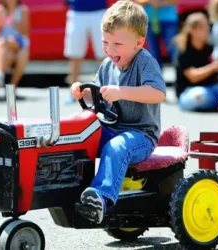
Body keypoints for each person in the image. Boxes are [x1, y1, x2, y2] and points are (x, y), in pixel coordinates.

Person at [70, 0, 166, 224]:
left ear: (139, 43)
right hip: (112, 127)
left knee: (117, 147)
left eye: (117, 44)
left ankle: (101, 197)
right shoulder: (107, 65)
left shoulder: (145, 62)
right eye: (105, 42)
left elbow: (157, 93)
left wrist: (122, 92)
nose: (110, 50)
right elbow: (98, 95)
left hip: (141, 135)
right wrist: (81, 92)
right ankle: (73, 188)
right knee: (80, 133)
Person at [63, 0, 107, 104]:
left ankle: (105, 92)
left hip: (99, 11)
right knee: (75, 54)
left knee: (104, 53)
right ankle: (73, 94)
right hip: (77, 12)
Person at [0, 0, 30, 92]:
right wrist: (0, 23)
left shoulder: (23, 10)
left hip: (17, 42)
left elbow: (25, 31)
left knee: (21, 55)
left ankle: (5, 82)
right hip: (2, 43)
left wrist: (12, 21)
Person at [136, 0, 179, 69]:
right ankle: (156, 78)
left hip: (168, 20)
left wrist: (162, 3)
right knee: (153, 53)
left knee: (174, 51)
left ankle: (182, 76)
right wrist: (149, 2)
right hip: (149, 20)